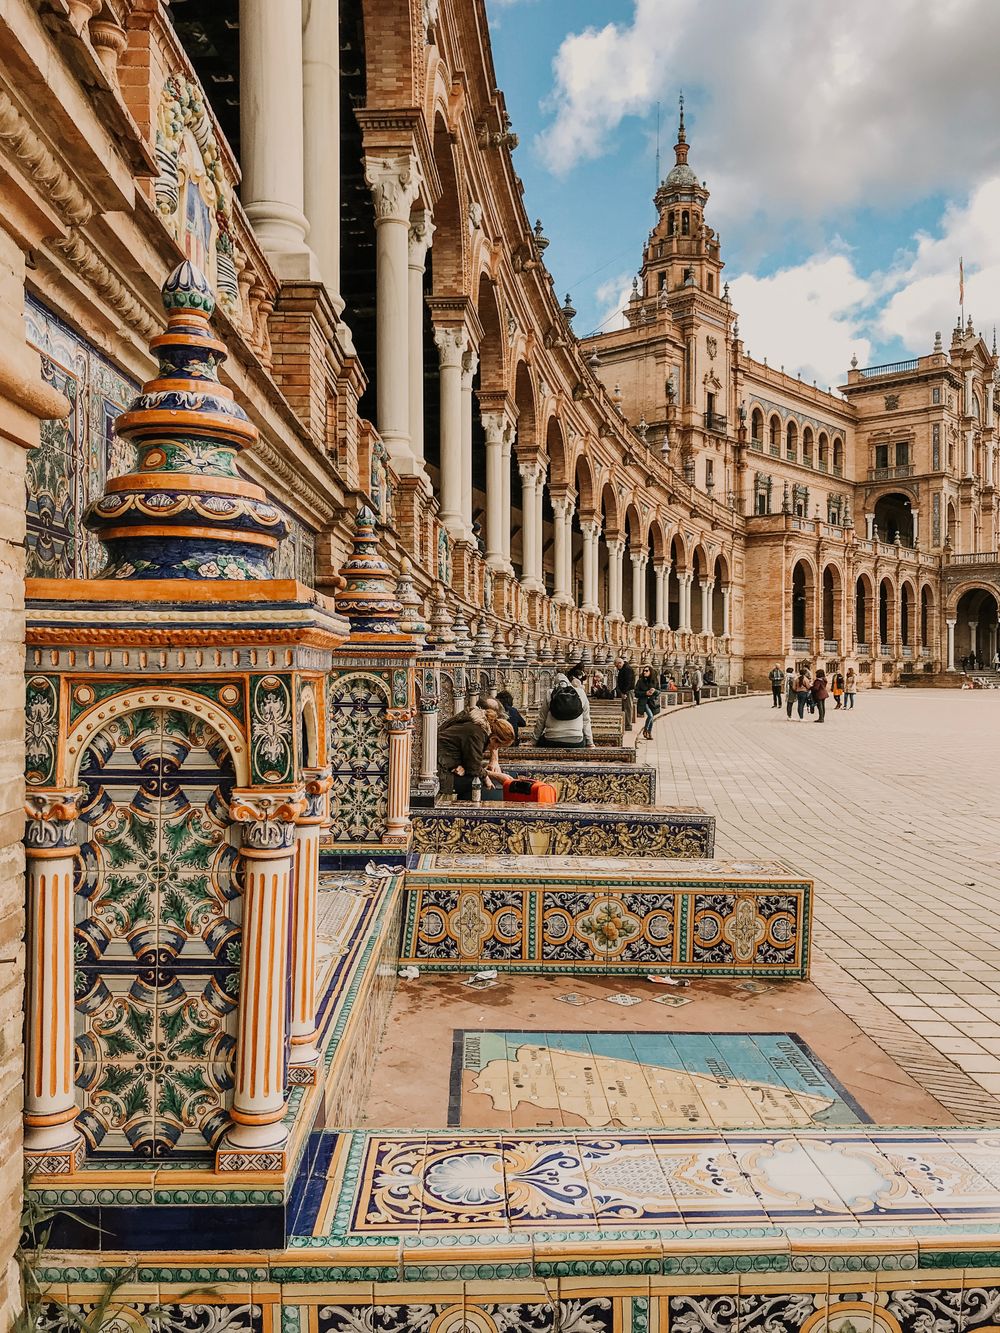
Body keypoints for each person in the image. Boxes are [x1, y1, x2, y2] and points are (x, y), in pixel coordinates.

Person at [437, 697, 502, 799]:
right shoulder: (476, 731)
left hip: (445, 763)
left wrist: (462, 765)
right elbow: (473, 767)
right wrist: (491, 776)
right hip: (439, 768)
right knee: (476, 782)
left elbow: (469, 757)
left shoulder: (473, 722)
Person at [535, 665, 594, 748]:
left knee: (542, 741)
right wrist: (590, 742)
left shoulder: (550, 693)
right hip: (576, 740)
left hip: (552, 739)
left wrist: (533, 740)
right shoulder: (581, 693)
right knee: (581, 739)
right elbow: (586, 720)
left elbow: (542, 719)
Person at [484, 715, 517, 787]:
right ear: (493, 739)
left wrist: (494, 760)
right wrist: (497, 776)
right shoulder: (478, 738)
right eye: (498, 746)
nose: (496, 749)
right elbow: (472, 767)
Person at [634, 663, 659, 740]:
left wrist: (654, 691)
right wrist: (645, 693)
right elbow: (636, 693)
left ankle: (649, 733)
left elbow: (659, 691)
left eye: (646, 671)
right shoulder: (640, 681)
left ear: (650, 672)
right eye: (644, 671)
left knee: (651, 717)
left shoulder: (654, 681)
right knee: (650, 716)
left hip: (651, 702)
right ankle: (645, 730)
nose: (644, 672)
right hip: (643, 702)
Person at [615, 656, 636, 729]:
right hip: (625, 691)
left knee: (628, 707)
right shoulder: (623, 669)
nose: (618, 667)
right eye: (616, 666)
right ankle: (625, 723)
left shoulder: (627, 669)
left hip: (628, 691)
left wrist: (624, 693)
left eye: (618, 665)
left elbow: (628, 682)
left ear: (621, 663)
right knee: (625, 707)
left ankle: (628, 724)